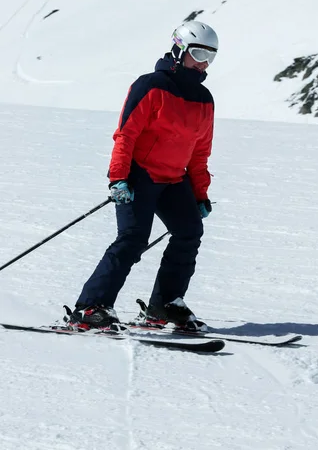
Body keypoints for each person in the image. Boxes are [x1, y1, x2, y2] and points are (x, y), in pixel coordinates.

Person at [65, 21, 218, 332]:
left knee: (189, 233)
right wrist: (118, 178)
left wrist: (200, 194)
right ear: (179, 50)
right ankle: (92, 306)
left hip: (175, 180)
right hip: (141, 176)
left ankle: (166, 304)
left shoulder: (204, 99)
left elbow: (199, 153)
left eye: (210, 57)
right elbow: (126, 135)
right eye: (199, 53)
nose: (203, 62)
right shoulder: (150, 86)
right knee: (133, 239)